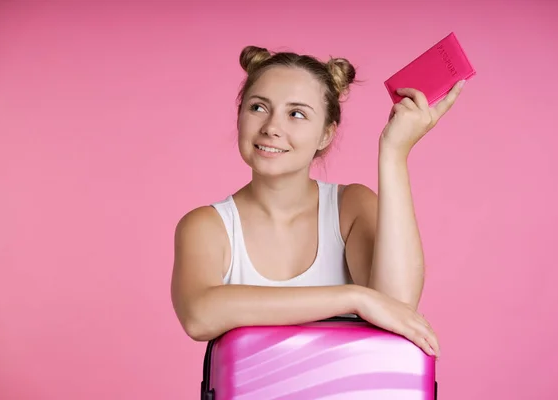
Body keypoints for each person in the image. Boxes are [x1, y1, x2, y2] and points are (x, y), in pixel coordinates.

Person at [171, 45, 465, 358]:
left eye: (296, 114)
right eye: (258, 107)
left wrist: (394, 154)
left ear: (326, 135)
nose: (271, 127)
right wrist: (353, 298)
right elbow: (199, 315)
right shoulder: (206, 226)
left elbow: (398, 307)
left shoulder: (349, 208)